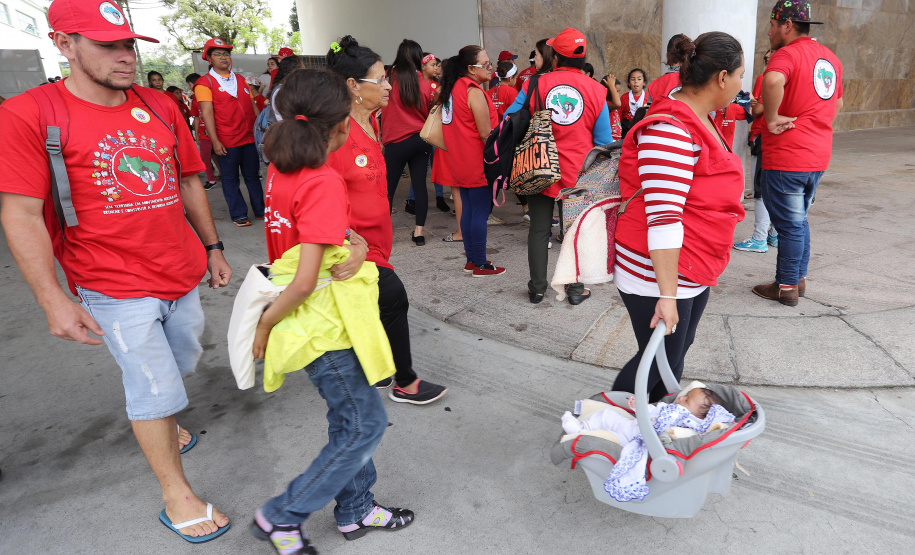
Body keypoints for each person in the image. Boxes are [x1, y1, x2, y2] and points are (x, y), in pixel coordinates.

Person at [0, 0, 232, 541]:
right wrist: (52, 298)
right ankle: (178, 496)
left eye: (128, 44)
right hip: (108, 281)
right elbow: (20, 212)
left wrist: (214, 247)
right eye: (108, 46)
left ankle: (167, 422)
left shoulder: (158, 104)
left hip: (180, 270)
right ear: (63, 43)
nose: (125, 56)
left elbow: (189, 179)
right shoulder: (29, 113)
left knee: (182, 360)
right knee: (152, 386)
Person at [251, 68, 414, 554]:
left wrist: (357, 244)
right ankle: (282, 516)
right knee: (365, 423)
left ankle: (357, 508)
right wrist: (263, 324)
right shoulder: (322, 179)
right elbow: (305, 278)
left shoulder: (282, 168)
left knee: (349, 419)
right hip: (324, 323)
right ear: (343, 125)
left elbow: (315, 238)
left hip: (313, 318)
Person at [611, 32, 746, 402]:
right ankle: (609, 420)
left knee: (672, 355)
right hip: (657, 271)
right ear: (721, 77)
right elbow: (664, 218)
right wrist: (667, 295)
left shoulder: (700, 117)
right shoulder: (669, 129)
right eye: (739, 76)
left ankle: (644, 426)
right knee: (659, 360)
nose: (740, 85)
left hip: (691, 264)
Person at [326, 35, 448, 404]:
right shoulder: (336, 134)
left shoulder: (370, 125)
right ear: (352, 86)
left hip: (378, 241)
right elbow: (321, 197)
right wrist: (346, 240)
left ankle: (374, 370)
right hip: (357, 248)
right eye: (379, 80)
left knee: (373, 307)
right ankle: (405, 382)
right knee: (393, 297)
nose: (387, 86)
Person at [506, 28, 614, 304]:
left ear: (555, 57)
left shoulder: (536, 84)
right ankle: (575, 290)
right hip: (580, 174)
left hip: (540, 167)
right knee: (575, 233)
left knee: (539, 230)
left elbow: (509, 119)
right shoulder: (597, 90)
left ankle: (537, 288)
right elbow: (603, 141)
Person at [752, 0, 843, 306]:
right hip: (817, 155)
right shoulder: (830, 58)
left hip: (788, 155)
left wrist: (773, 116)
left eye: (772, 25)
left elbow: (774, 79)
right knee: (799, 220)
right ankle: (798, 279)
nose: (768, 32)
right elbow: (838, 104)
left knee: (790, 224)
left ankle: (786, 286)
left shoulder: (786, 54)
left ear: (786, 25)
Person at [440, 45, 503, 277]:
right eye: (485, 64)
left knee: (467, 211)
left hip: (458, 160)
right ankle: (480, 264)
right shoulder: (473, 91)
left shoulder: (453, 89)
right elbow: (486, 133)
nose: (490, 68)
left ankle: (471, 260)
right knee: (478, 213)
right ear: (470, 68)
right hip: (477, 162)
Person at [195, 37, 264, 227]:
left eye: (226, 54)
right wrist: (215, 141)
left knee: (252, 177)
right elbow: (207, 114)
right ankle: (239, 214)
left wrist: (260, 129)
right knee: (230, 179)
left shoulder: (240, 79)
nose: (224, 57)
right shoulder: (204, 83)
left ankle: (261, 210)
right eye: (218, 54)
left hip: (249, 137)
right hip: (227, 141)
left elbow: (252, 106)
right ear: (208, 58)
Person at [381, 39, 435, 245]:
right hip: (420, 140)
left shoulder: (389, 79)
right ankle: (419, 233)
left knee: (388, 189)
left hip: (396, 141)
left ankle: (385, 232)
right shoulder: (423, 82)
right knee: (420, 186)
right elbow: (427, 111)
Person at [735, 49, 779, 253]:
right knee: (776, 189)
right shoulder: (788, 79)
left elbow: (758, 109)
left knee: (761, 190)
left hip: (763, 137)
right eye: (766, 59)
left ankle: (760, 238)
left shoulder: (766, 78)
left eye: (769, 59)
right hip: (779, 138)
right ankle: (773, 234)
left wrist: (755, 104)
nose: (767, 62)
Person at [561, 388, 724, 438]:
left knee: (608, 434)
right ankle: (582, 426)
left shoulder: (688, 425)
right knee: (607, 415)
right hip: (631, 426)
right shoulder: (669, 410)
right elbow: (652, 411)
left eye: (687, 401)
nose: (681, 398)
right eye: (685, 395)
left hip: (636, 439)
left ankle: (581, 433)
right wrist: (639, 407)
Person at [405, 53, 448, 216]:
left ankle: (439, 197)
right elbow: (421, 110)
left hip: (435, 131)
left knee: (437, 165)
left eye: (437, 65)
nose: (437, 68)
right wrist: (435, 98)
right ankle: (411, 199)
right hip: (420, 131)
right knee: (419, 168)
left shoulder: (437, 84)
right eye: (433, 65)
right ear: (423, 66)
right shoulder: (415, 85)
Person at [186, 72, 217, 190]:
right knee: (205, 157)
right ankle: (211, 180)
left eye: (189, 85)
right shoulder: (194, 99)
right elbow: (197, 118)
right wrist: (198, 135)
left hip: (216, 132)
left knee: (219, 155)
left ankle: (221, 175)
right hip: (204, 133)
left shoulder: (212, 94)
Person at [648, 34, 690, 100]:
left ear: (667, 56)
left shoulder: (654, 86)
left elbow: (649, 110)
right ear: (688, 56)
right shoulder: (698, 82)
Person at [601, 74, 623, 141]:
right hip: (609, 140)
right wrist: (611, 85)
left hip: (616, 140)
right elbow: (617, 104)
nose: (618, 94)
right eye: (616, 91)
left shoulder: (614, 107)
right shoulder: (606, 105)